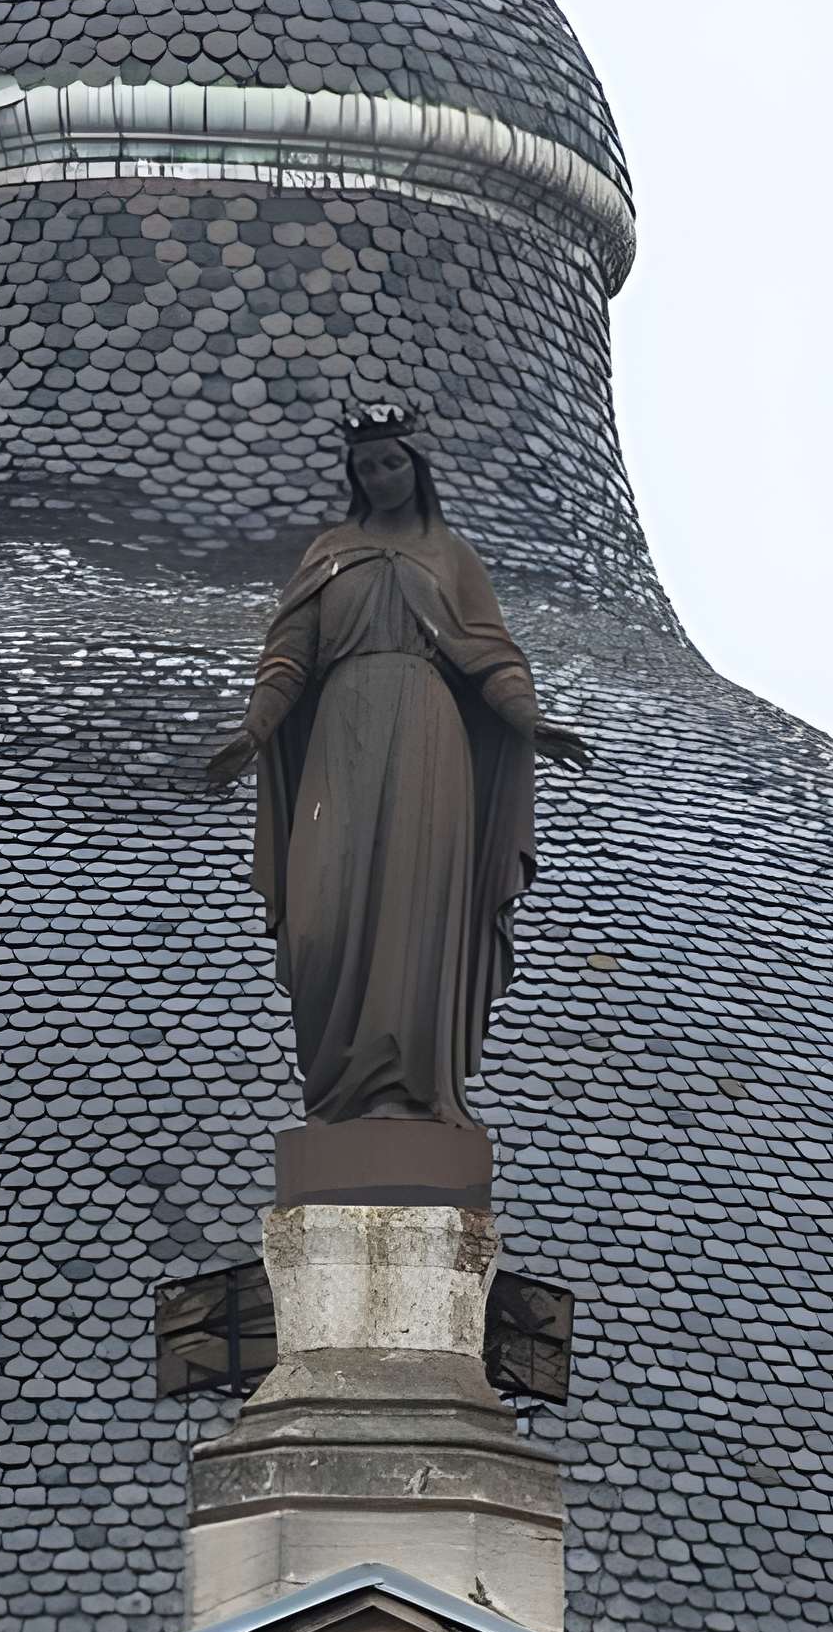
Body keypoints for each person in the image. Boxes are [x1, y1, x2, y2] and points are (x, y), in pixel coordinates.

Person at [207, 407, 589, 1128]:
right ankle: (341, 1084)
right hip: (341, 736)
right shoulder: (329, 553)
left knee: (413, 904)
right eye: (366, 468)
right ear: (354, 478)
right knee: (322, 910)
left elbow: (490, 655)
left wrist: (531, 722)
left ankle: (403, 1086)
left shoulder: (450, 557)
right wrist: (255, 730)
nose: (380, 478)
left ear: (417, 468)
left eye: (391, 464)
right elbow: (289, 654)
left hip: (426, 733)